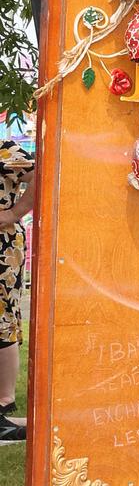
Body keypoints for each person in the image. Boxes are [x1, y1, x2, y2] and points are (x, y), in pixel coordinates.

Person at [0, 140, 33, 441]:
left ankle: (4, 410)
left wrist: (13, 213)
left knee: (2, 323)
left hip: (2, 250)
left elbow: (39, 176)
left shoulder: (5, 150)